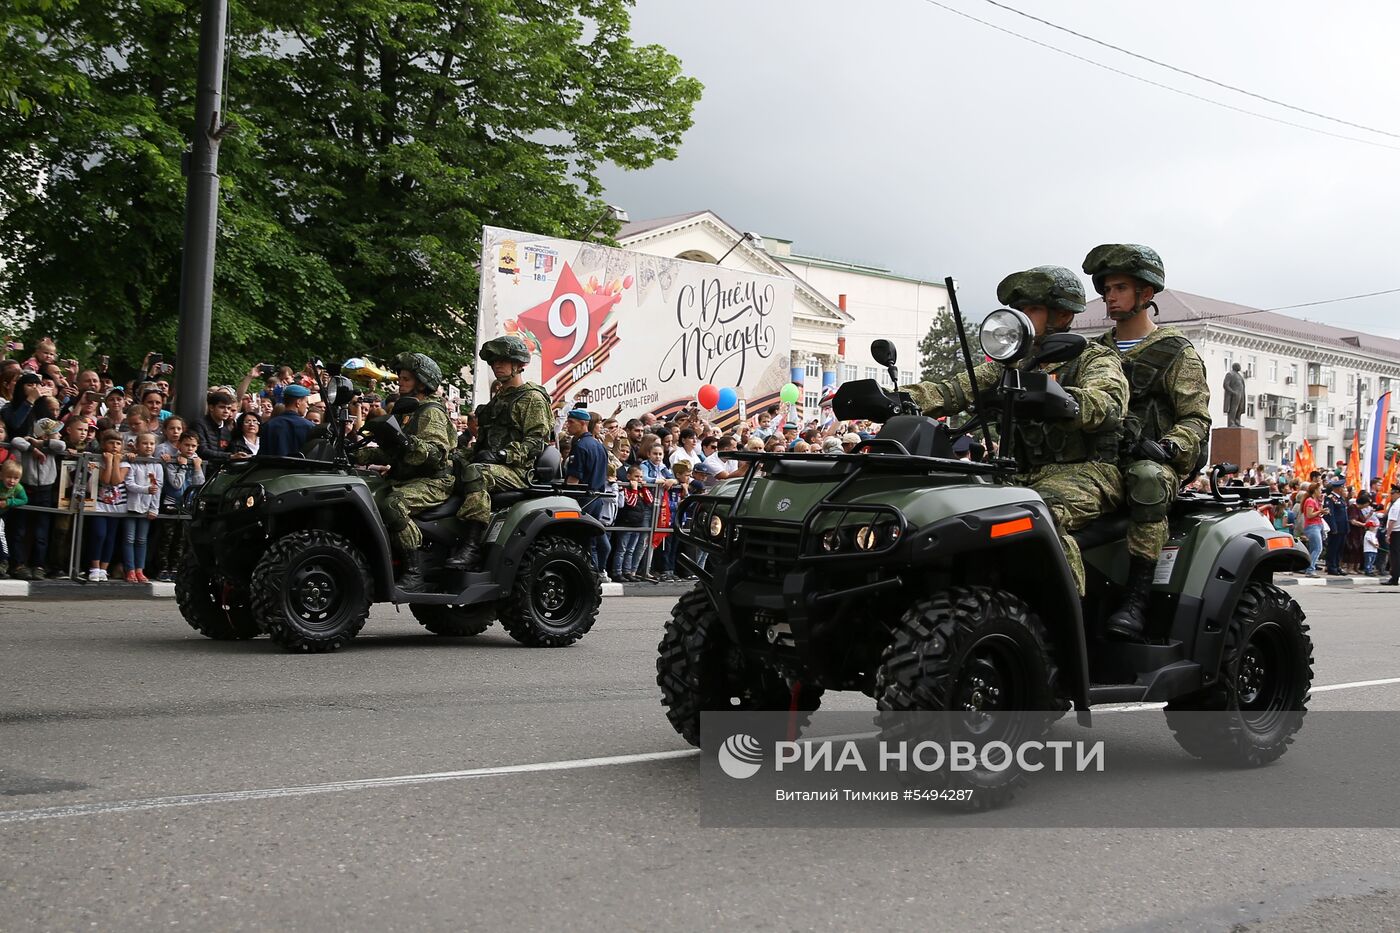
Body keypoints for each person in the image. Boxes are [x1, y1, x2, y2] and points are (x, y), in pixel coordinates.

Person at [901, 265, 1127, 597]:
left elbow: (1108, 403)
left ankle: (1061, 616)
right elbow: (952, 391)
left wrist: (1063, 400)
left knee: (1040, 513)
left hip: (1086, 470)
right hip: (1020, 472)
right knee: (954, 511)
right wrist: (897, 399)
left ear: (1062, 314)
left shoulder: (1094, 358)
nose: (1020, 317)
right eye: (1018, 310)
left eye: (1031, 309)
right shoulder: (1012, 365)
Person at [1083, 243, 1212, 639]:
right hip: (1095, 461)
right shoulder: (1092, 351)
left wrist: (1170, 446)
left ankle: (1136, 599)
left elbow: (1196, 417)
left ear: (1147, 295)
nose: (1110, 297)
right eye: (1106, 289)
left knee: (1147, 478)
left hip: (1152, 462)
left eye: (1120, 288)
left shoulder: (1176, 353)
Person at [446, 337, 551, 571]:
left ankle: (471, 547)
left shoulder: (532, 398)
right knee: (449, 464)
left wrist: (503, 455)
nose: (497, 365)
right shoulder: (500, 398)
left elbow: (535, 442)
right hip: (493, 463)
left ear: (518, 364)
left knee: (476, 474)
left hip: (517, 470)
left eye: (503, 361)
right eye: (494, 361)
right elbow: (485, 440)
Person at [356, 352, 456, 590]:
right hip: (408, 477)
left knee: (393, 505)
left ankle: (414, 571)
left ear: (422, 383)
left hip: (433, 481)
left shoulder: (430, 411)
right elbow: (395, 454)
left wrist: (407, 443)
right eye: (400, 378)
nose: (400, 382)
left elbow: (435, 455)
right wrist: (361, 454)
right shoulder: (406, 411)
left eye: (406, 379)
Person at [564, 409, 610, 576]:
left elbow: (573, 480)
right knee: (592, 537)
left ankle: (589, 573)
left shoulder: (581, 445)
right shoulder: (599, 446)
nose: (568, 425)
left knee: (581, 540)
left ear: (583, 423)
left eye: (571, 422)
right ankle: (598, 570)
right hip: (596, 498)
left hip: (582, 499)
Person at [87, 430, 129, 583]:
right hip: (99, 505)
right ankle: (94, 567)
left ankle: (104, 569)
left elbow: (116, 481)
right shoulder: (98, 460)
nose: (115, 446)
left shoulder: (124, 462)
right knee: (99, 535)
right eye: (111, 443)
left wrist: (116, 462)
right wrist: (109, 462)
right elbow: (105, 480)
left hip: (117, 506)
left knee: (110, 538)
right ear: (104, 444)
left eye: (118, 443)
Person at [121, 432, 162, 583]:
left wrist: (154, 508)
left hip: (146, 507)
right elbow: (129, 484)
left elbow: (158, 487)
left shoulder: (157, 465)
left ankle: (140, 569)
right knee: (129, 538)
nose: (149, 446)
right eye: (145, 443)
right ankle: (130, 570)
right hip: (131, 505)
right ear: (137, 446)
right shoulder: (133, 462)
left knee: (141, 540)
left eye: (151, 444)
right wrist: (145, 489)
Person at [261, 385, 315, 457]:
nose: (307, 406)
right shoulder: (309, 427)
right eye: (306, 402)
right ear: (298, 402)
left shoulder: (269, 425)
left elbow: (262, 455)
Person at [0, 459, 27, 578]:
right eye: (9, 477)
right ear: (1, 475)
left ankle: (4, 560)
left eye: (16, 478)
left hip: (2, 515)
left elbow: (24, 499)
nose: (12, 481)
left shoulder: (18, 488)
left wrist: (9, 502)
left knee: (0, 534)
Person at [192, 390, 235, 463]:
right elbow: (202, 451)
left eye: (228, 408)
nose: (226, 411)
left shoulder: (228, 429)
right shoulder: (199, 425)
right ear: (211, 408)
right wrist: (229, 456)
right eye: (222, 407)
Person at [1322, 479, 1349, 575]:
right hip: (1336, 528)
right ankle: (1331, 566)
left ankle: (1337, 566)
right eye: (1342, 487)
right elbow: (1330, 514)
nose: (1344, 489)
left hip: (1342, 528)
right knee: (1333, 548)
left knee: (1340, 548)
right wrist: (1333, 527)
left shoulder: (1341, 499)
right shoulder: (1330, 498)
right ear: (1338, 488)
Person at [1300, 482, 1325, 576]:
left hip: (1316, 525)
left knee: (1313, 548)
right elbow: (1309, 515)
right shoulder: (1310, 501)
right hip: (1312, 526)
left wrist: (1321, 508)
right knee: (1318, 548)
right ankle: (1310, 569)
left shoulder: (1315, 500)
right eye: (1319, 490)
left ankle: (1308, 567)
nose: (1321, 491)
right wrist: (1320, 511)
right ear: (1315, 490)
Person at [1383, 481, 1400, 586]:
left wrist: (1387, 534)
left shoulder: (1396, 505)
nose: (1391, 495)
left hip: (1395, 532)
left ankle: (1394, 578)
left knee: (1395, 556)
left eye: (1392, 493)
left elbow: (1392, 521)